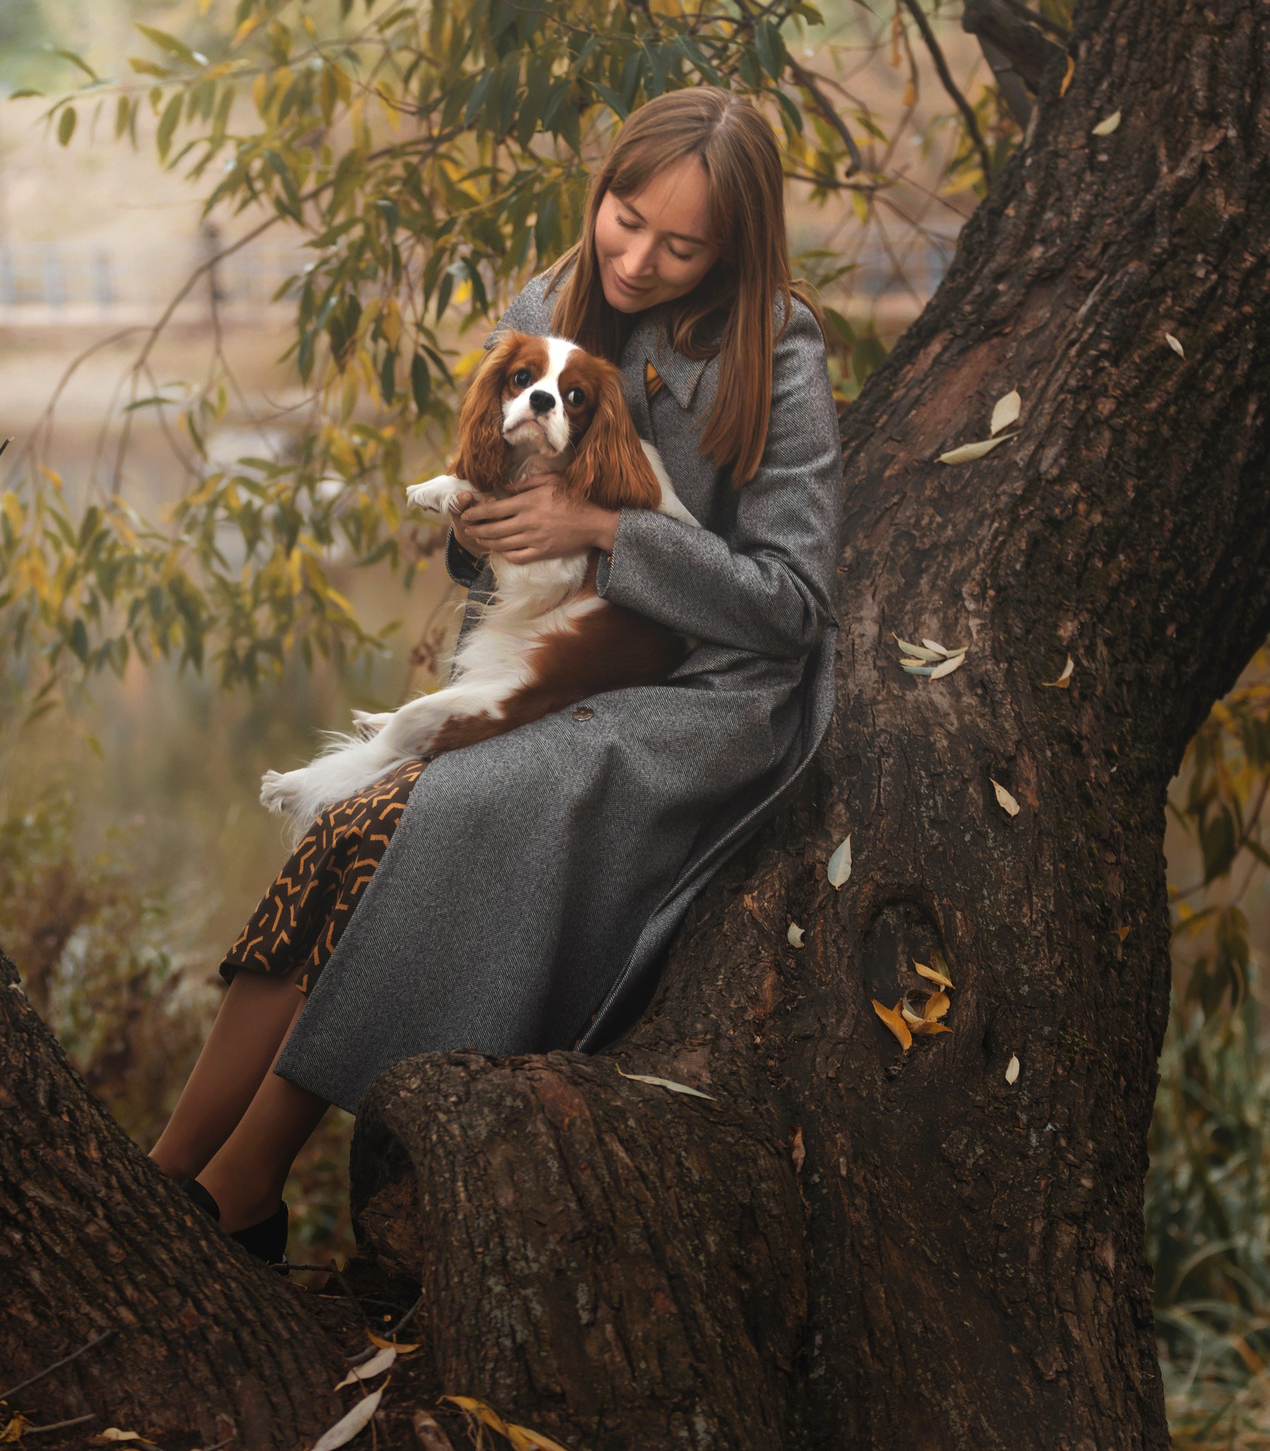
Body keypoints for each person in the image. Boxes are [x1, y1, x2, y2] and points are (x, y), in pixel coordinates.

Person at [148, 86, 843, 1261]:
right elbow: (476, 549)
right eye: (625, 217)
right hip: (547, 666)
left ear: (735, 249)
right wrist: (490, 523)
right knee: (343, 831)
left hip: (693, 700)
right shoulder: (545, 304)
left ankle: (246, 1179)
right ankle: (167, 1172)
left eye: (681, 246)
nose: (635, 258)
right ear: (604, 186)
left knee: (428, 819)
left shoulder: (774, 348)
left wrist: (610, 532)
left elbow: (794, 604)